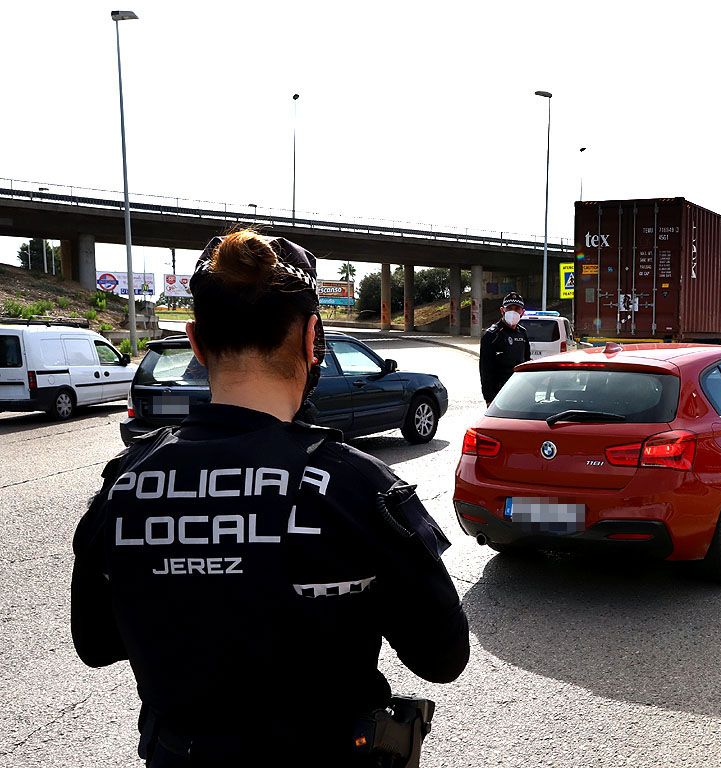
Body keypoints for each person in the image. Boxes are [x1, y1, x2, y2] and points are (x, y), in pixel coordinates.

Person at [71, 231, 469, 767]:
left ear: (194, 342)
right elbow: (443, 657)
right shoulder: (356, 486)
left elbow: (95, 645)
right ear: (312, 341)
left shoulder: (124, 483)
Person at [479, 291, 530, 405]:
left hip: (519, 391)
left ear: (522, 312)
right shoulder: (492, 335)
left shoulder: (522, 333)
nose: (513, 312)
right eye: (509, 308)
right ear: (502, 310)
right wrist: (488, 398)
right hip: (500, 393)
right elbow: (485, 369)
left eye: (517, 309)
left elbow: (526, 361)